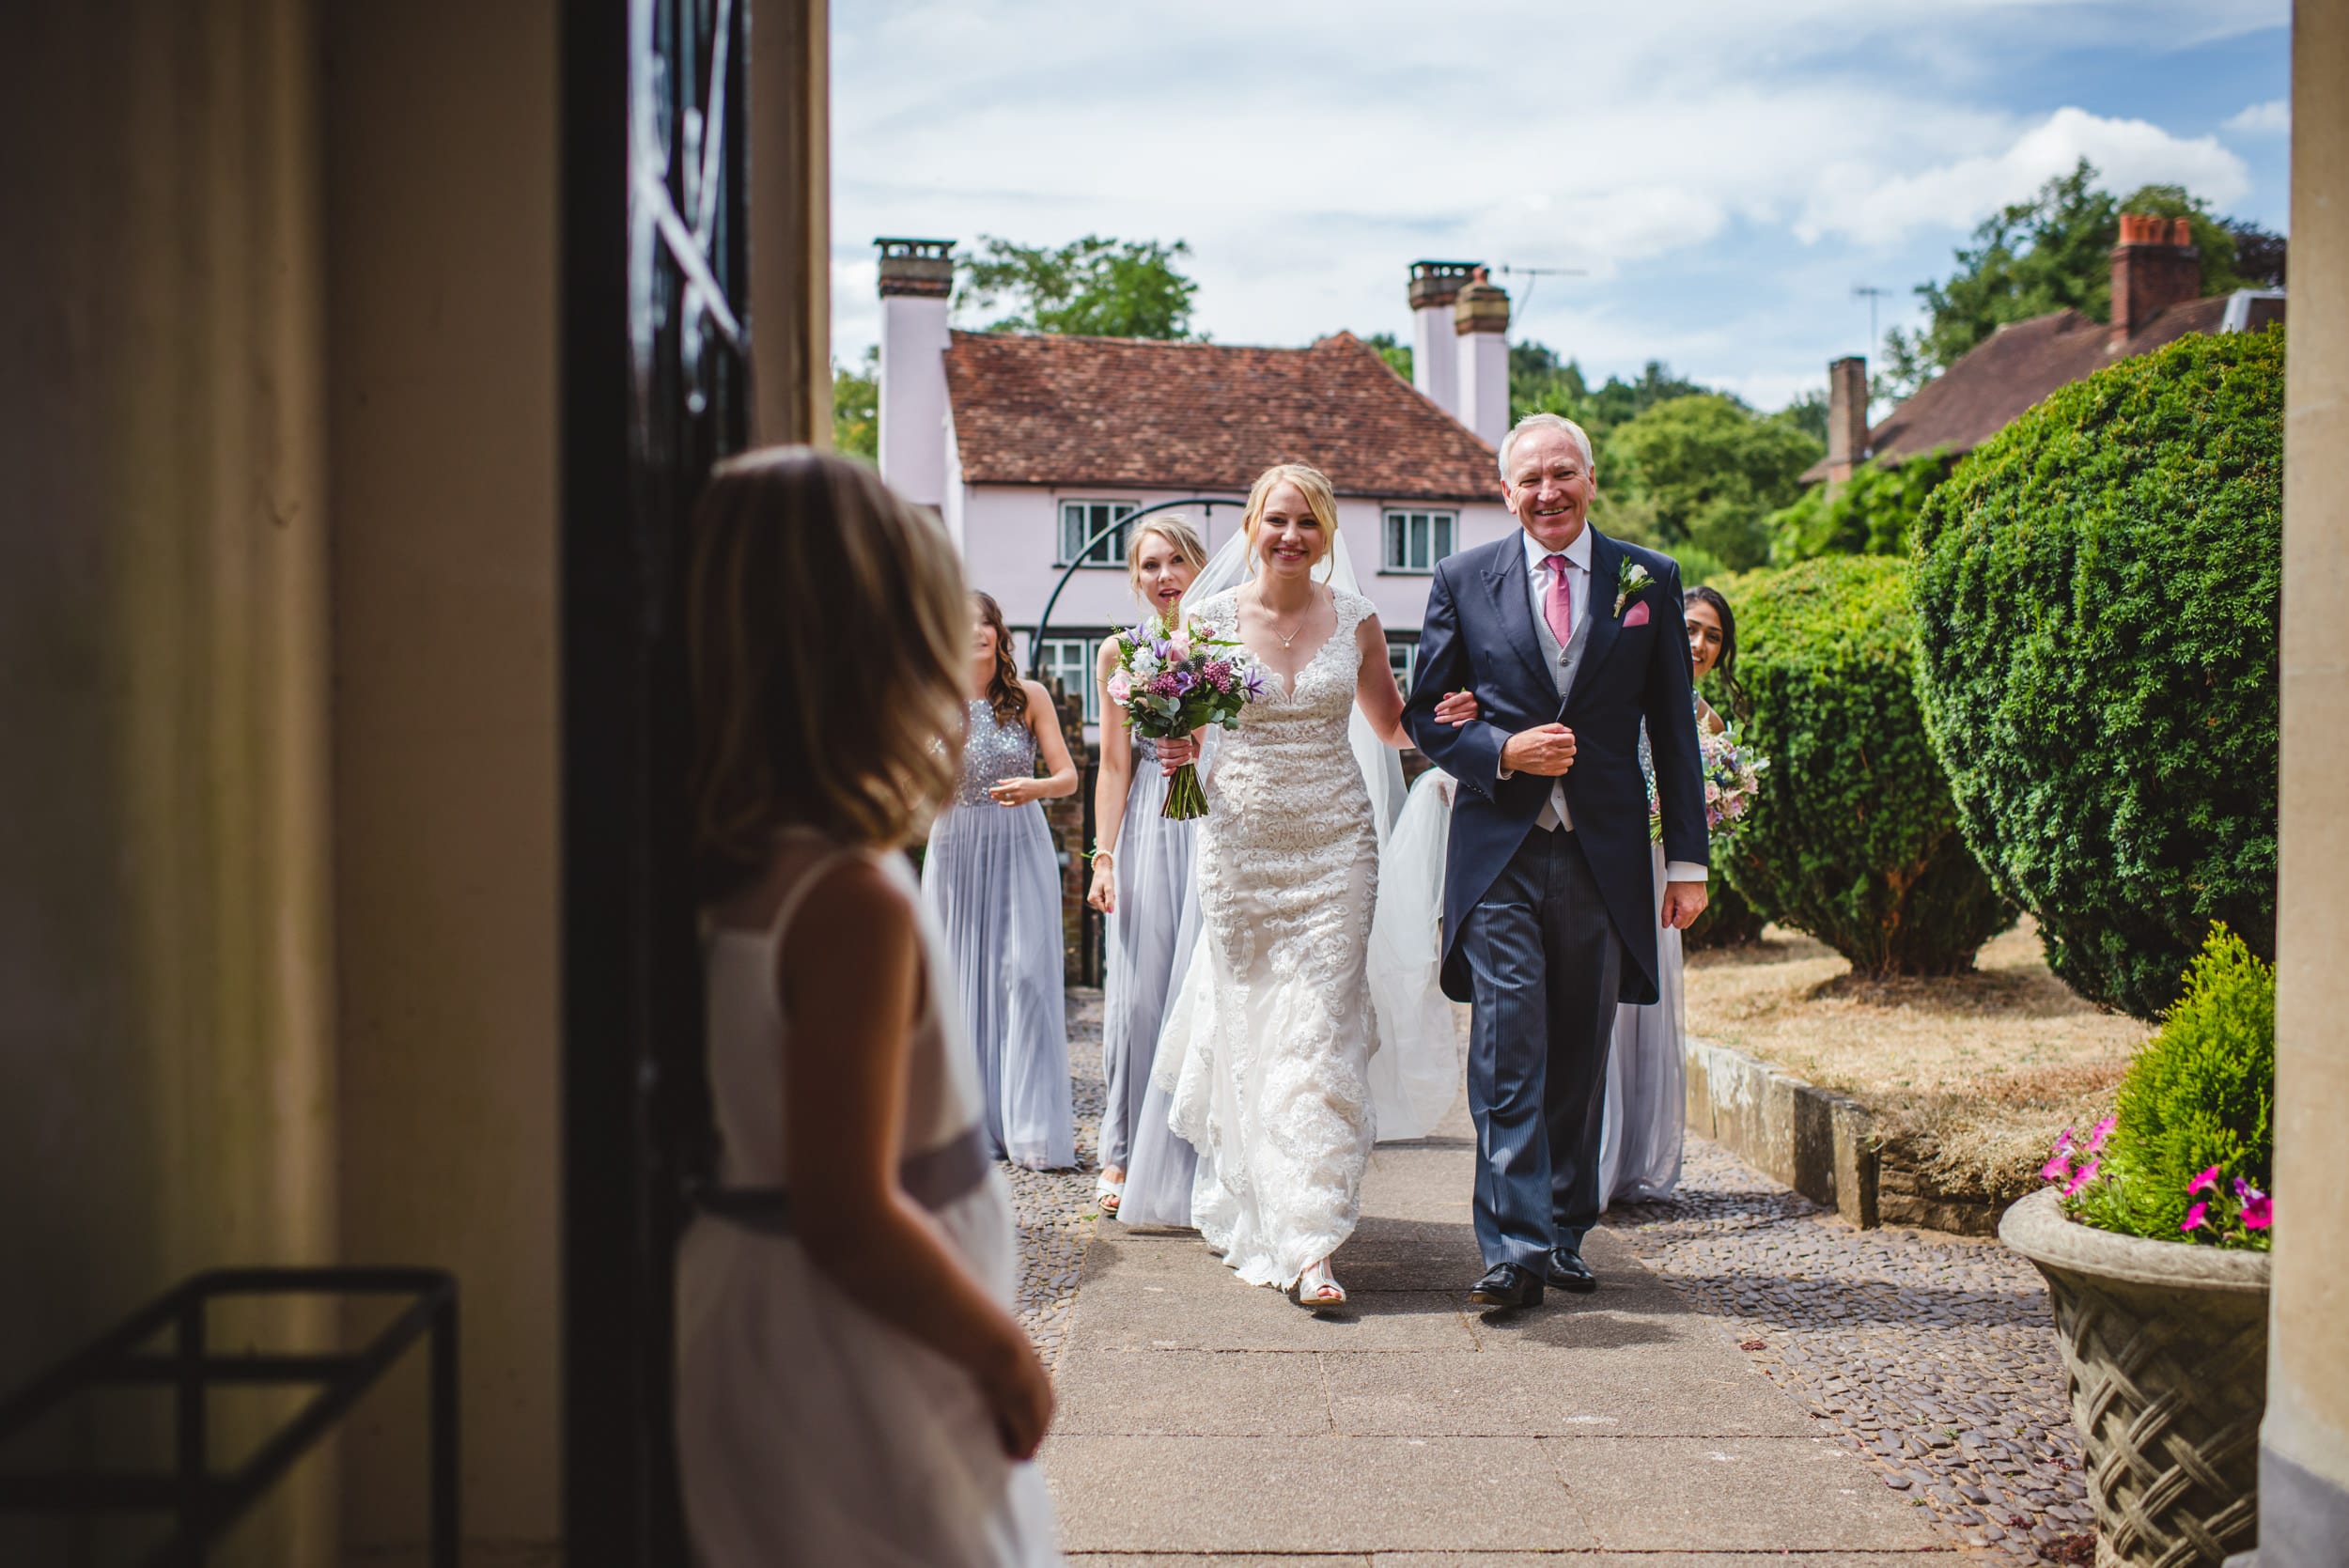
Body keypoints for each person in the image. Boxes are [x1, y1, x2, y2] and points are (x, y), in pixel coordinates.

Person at [674, 448, 1061, 1566]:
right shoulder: (848, 898)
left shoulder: (737, 856)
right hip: (860, 1341)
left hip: (756, 1310)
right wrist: (999, 1351)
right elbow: (846, 1207)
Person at [1402, 411, 1709, 1311]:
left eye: (1562, 473)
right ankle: (1512, 1247)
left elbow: (1673, 731)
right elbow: (1426, 716)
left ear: (1591, 478)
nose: (1547, 492)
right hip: (1499, 849)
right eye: (1529, 478)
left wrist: (1686, 861)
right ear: (1505, 491)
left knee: (1579, 1048)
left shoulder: (1647, 579)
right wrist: (1501, 751)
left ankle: (1567, 1228)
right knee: (1507, 1044)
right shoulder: (1463, 578)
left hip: (1605, 853)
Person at [1153, 463, 1443, 1310]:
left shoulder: (1355, 619)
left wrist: (1451, 716)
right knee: (1253, 1023)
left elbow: (1390, 724)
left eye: (1308, 522)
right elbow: (1188, 726)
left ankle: (1313, 1239)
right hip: (1239, 843)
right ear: (1252, 526)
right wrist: (1173, 745)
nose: (1291, 536)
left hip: (1335, 847)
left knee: (1318, 1028)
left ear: (1326, 534)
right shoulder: (1205, 620)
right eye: (1277, 519)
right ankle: (1261, 1201)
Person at [923, 592, 1081, 1171]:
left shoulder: (1030, 697)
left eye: (983, 621)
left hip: (1018, 841)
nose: (975, 632)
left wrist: (1031, 787)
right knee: (958, 978)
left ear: (998, 631)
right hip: (956, 844)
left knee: (1025, 975)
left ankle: (1031, 1127)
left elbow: (1066, 777)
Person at [1596, 583, 1743, 1206]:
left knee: (1649, 1014)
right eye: (1689, 627)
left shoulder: (1708, 719)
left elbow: (1711, 797)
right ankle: (1591, 1161)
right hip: (1610, 863)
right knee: (1602, 1007)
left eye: (1712, 635)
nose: (1699, 644)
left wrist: (1714, 805)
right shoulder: (1624, 690)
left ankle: (1634, 1160)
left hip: (1662, 869)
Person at [1086, 517, 1210, 1221]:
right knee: (1137, 996)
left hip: (1213, 820)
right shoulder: (1117, 652)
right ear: (1135, 578)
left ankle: (1203, 1156)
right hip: (1147, 824)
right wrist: (1104, 855)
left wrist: (1198, 739)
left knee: (1203, 986)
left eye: (1177, 560)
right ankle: (1122, 1150)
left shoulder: (1228, 639)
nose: (1165, 575)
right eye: (1150, 564)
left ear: (1200, 564)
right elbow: (1110, 764)